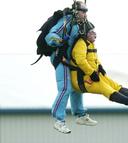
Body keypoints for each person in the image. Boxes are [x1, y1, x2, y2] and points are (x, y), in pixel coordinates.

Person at [70, 22, 128, 111]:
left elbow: (94, 59)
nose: (94, 34)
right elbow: (81, 61)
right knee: (106, 89)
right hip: (81, 80)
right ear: (84, 33)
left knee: (116, 86)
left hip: (93, 75)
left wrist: (99, 66)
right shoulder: (81, 44)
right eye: (91, 32)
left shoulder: (90, 44)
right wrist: (91, 72)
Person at [45, 1, 97, 134]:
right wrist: (60, 41)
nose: (85, 13)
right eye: (83, 10)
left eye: (86, 10)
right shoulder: (66, 21)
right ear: (75, 11)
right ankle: (59, 121)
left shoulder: (83, 24)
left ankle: (80, 115)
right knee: (65, 87)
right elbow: (50, 36)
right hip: (60, 57)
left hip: (73, 59)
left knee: (76, 84)